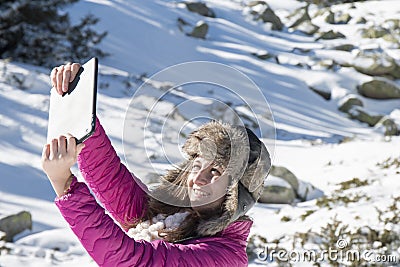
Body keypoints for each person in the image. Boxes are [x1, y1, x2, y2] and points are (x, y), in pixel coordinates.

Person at [41, 63, 271, 267]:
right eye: (196, 165)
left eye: (215, 171)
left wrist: (63, 183)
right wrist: (77, 105)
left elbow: (132, 261)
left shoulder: (224, 257)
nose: (197, 178)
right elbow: (108, 176)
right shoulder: (163, 217)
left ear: (236, 192)